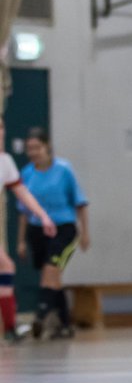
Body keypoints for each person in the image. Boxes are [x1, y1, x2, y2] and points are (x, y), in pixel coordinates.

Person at [16, 128, 89, 340]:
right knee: (52, 278)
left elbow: (80, 202)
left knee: (50, 272)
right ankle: (64, 324)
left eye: (36, 147)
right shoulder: (27, 173)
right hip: (37, 229)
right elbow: (23, 211)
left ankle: (39, 316)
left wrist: (85, 233)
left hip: (63, 228)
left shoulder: (64, 170)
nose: (33, 152)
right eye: (29, 149)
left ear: (47, 147)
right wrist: (21, 240)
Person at [0, 120, 57, 344]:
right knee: (5, 266)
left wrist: (42, 216)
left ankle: (10, 328)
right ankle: (10, 328)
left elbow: (22, 192)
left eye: (2, 127)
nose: (1, 132)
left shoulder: (5, 162)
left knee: (6, 266)